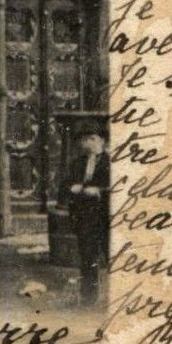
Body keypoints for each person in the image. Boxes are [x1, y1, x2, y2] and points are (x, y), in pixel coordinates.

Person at [65, 124, 111, 307]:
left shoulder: (111, 162)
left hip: (106, 216)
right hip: (85, 217)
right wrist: (72, 188)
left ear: (101, 141)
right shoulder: (77, 163)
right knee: (88, 258)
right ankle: (88, 298)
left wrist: (99, 191)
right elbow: (65, 185)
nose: (87, 143)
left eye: (92, 138)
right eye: (84, 139)